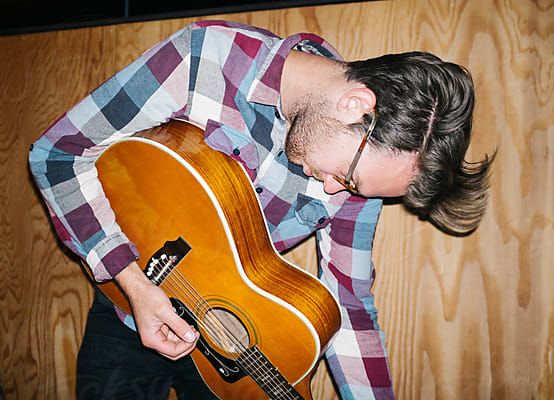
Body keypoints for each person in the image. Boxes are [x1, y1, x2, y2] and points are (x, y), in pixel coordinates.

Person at [28, 20, 493, 400]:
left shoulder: (357, 181)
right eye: (347, 178)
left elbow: (348, 304)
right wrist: (133, 284)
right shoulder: (205, 59)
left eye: (352, 188)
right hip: (129, 297)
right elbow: (57, 155)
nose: (336, 190)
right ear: (356, 104)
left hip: (231, 348)